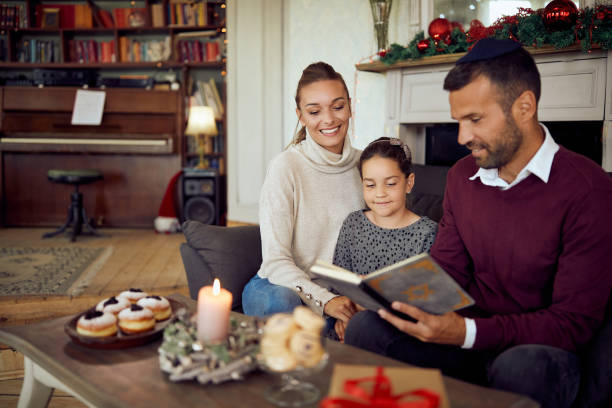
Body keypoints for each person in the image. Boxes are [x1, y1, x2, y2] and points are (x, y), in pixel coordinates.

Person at [344, 38, 612, 408]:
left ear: (524, 106)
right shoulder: (462, 176)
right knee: (367, 327)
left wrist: (467, 332)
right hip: (463, 342)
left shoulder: (588, 189)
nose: (462, 137)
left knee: (522, 367)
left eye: (475, 119)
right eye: (458, 121)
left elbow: (572, 323)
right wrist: (391, 295)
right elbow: (446, 268)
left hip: (536, 352)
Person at [242, 62, 362, 331]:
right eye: (314, 111)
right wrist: (326, 302)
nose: (329, 119)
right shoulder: (286, 167)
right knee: (284, 303)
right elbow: (275, 262)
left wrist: (352, 307)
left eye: (338, 106)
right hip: (281, 287)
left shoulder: (366, 165)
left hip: (341, 294)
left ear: (350, 107)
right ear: (301, 116)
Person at [331, 136, 438, 340]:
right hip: (350, 322)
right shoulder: (353, 223)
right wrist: (343, 317)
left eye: (390, 184)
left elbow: (424, 301)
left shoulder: (427, 233)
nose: (380, 194)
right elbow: (339, 282)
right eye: (370, 185)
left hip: (398, 331)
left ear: (409, 183)